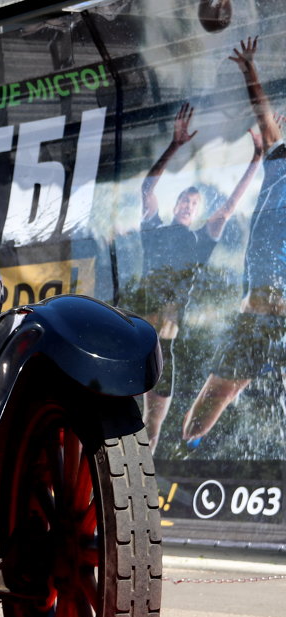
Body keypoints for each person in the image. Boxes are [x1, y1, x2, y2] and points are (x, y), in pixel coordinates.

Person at [135, 101, 260, 451]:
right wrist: (174, 146)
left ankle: (139, 492)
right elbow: (147, 190)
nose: (188, 206)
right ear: (175, 206)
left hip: (165, 345)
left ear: (197, 211)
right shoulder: (154, 229)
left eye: (194, 204)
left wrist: (256, 158)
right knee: (110, 414)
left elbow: (230, 206)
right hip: (136, 334)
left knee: (153, 426)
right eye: (184, 201)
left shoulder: (201, 241)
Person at [182, 37, 286, 447]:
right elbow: (264, 115)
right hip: (258, 317)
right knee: (208, 408)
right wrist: (249, 72)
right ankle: (187, 449)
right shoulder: (279, 159)